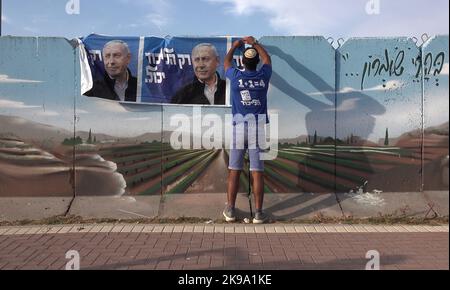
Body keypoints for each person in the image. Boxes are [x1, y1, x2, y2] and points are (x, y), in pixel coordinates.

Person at [223, 36, 272, 224]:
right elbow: (268, 60)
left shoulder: (235, 76)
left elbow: (226, 62)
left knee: (234, 170)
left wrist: (235, 46)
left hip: (239, 128)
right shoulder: (263, 76)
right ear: (256, 62)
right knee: (257, 171)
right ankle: (259, 213)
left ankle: (230, 210)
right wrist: (255, 43)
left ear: (242, 62)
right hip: (257, 128)